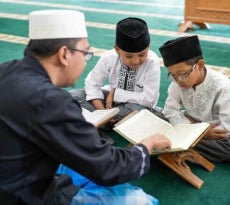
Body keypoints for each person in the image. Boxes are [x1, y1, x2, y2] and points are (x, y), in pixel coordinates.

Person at [0, 10, 171, 205]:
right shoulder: (53, 102)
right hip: (26, 195)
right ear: (64, 54)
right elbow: (109, 168)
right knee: (140, 201)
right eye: (86, 53)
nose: (85, 60)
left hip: (21, 170)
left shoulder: (5, 70)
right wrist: (146, 146)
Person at [159, 35, 230, 163]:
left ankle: (179, 145)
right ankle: (185, 145)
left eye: (183, 74)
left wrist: (198, 131)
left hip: (216, 134)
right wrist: (198, 131)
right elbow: (169, 111)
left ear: (200, 65)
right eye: (172, 75)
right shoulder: (176, 83)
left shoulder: (223, 86)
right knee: (156, 116)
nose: (178, 80)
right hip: (191, 126)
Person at [70, 17, 161, 123]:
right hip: (108, 100)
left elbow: (149, 100)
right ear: (117, 49)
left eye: (142, 55)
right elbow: (92, 85)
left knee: (139, 112)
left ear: (148, 47)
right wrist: (102, 112)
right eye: (129, 56)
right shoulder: (109, 57)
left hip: (135, 105)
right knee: (72, 96)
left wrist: (116, 93)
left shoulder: (152, 61)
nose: (136, 61)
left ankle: (100, 121)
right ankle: (109, 122)